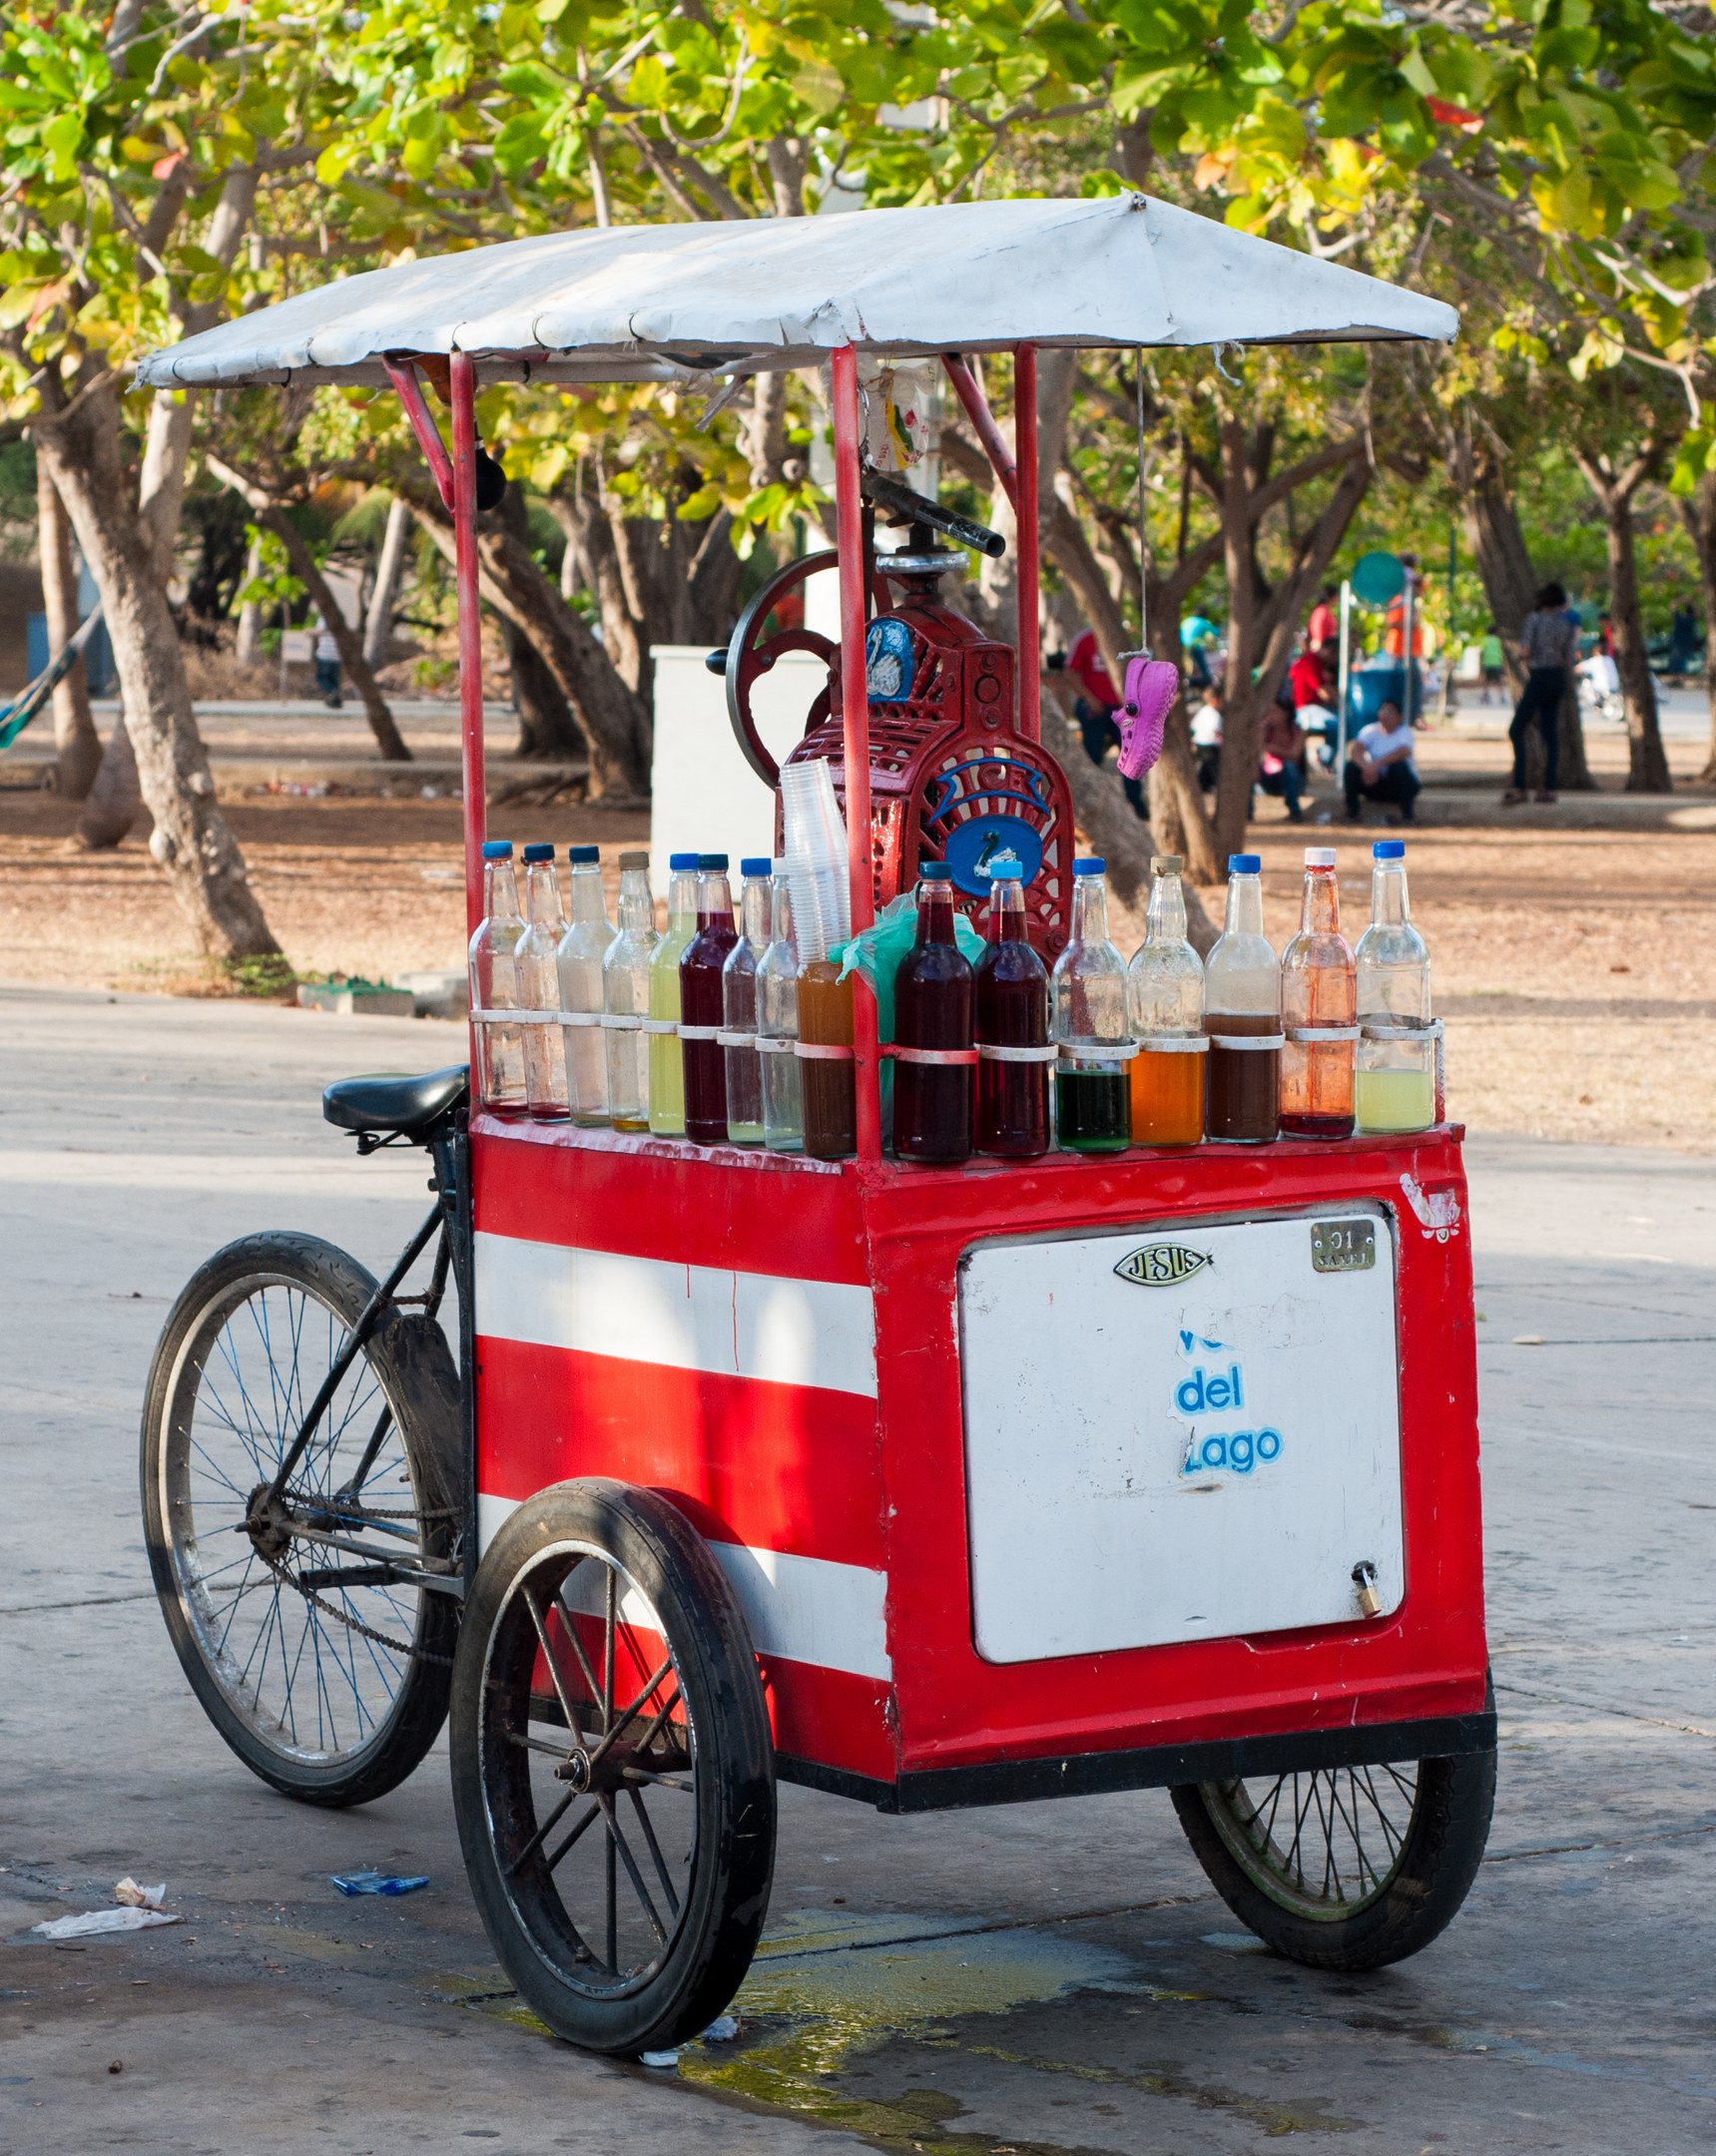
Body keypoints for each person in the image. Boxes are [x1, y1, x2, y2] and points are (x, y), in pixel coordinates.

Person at [1504, 580, 1578, 806]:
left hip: (1539, 677)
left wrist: (1516, 656)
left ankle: (1519, 786)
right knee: (1550, 734)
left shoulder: (1534, 619)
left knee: (1516, 729)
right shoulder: (1566, 623)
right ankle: (1549, 787)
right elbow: (1569, 656)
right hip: (1558, 678)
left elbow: (1526, 651)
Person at [1064, 625, 1144, 816]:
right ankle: (1088, 803)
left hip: (1122, 708)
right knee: (1092, 756)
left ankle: (1135, 802)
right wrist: (1089, 698)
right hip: (1095, 707)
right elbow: (1069, 672)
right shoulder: (1085, 639)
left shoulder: (1123, 638)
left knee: (1131, 754)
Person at [1345, 697, 1420, 824]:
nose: (1385, 715)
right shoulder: (1369, 730)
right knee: (1351, 767)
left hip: (1399, 786)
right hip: (1375, 781)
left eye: (1390, 712)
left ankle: (1407, 816)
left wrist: (1377, 764)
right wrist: (1366, 768)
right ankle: (1352, 813)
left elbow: (1403, 751)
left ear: (1399, 716)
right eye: (1383, 711)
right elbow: (1356, 750)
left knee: (1398, 767)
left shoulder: (1404, 732)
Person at [1258, 703, 1308, 822]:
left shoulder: (1297, 732)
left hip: (1290, 778)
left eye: (1275, 711)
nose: (1270, 715)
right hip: (1268, 776)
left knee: (1289, 766)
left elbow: (1295, 754)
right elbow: (1259, 749)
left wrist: (1272, 749)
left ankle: (1294, 811)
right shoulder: (1265, 731)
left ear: (1286, 714)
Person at [1190, 684, 1223, 794]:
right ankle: (1215, 784)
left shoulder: (1202, 711)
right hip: (1210, 745)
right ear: (1215, 700)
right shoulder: (1215, 715)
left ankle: (1204, 786)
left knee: (1204, 767)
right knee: (1213, 768)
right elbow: (1216, 731)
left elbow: (1193, 727)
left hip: (1199, 744)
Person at [1180, 610, 1220, 689]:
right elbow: (1216, 632)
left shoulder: (1187, 620)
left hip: (1183, 647)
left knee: (1189, 667)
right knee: (1204, 671)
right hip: (1194, 647)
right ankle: (1199, 681)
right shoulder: (1203, 622)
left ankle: (1188, 680)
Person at [313, 618, 343, 709]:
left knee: (322, 678)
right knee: (334, 679)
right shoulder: (339, 618)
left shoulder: (324, 619)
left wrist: (308, 632)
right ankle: (335, 701)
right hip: (337, 655)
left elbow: (320, 631)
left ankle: (333, 692)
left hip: (325, 654)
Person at [1669, 598, 1700, 681]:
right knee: (1683, 661)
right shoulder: (1692, 620)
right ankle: (1682, 677)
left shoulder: (1679, 619)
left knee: (1675, 661)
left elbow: (1672, 608)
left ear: (1685, 612)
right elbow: (1697, 612)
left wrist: (1680, 600)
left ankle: (1676, 678)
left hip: (1677, 643)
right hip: (1688, 644)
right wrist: (1691, 602)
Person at [1307, 584, 1338, 652]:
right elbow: (1316, 627)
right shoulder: (1321, 611)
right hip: (1321, 648)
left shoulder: (1328, 611)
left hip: (1328, 648)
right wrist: (1318, 642)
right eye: (1336, 596)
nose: (1338, 599)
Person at [1480, 624, 1504, 705]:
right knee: (1499, 681)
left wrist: (1482, 663)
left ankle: (1485, 695)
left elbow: (1482, 652)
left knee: (1486, 681)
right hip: (1497, 663)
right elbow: (1501, 652)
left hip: (1487, 663)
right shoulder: (1498, 640)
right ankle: (1502, 697)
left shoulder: (1484, 640)